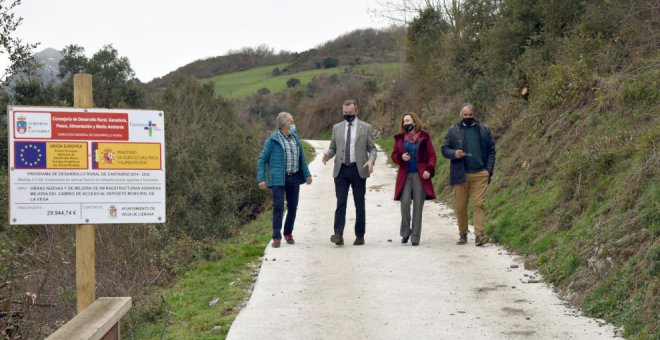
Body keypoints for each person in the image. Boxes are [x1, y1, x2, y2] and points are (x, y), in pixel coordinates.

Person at [322, 99, 377, 246]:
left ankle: (360, 235)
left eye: (350, 113)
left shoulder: (365, 128)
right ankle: (338, 234)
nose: (348, 115)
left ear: (356, 111)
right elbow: (333, 147)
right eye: (345, 113)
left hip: (358, 169)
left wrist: (371, 161)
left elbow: (372, 148)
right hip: (341, 170)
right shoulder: (337, 128)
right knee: (341, 202)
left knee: (359, 203)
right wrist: (328, 154)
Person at [441, 103, 496, 246]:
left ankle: (479, 235)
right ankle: (463, 234)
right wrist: (454, 153)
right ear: (461, 115)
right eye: (465, 115)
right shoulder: (453, 131)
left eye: (470, 115)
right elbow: (444, 149)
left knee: (479, 204)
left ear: (474, 115)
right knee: (461, 206)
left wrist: (488, 171)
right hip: (461, 174)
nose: (468, 117)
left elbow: (491, 150)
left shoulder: (484, 130)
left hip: (480, 174)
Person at [257, 112, 312, 248]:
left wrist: (307, 175)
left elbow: (302, 159)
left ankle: (288, 233)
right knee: (279, 207)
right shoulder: (272, 140)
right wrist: (261, 179)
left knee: (292, 207)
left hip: (294, 177)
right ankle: (276, 236)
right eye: (291, 122)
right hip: (278, 179)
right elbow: (262, 160)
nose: (293, 124)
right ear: (284, 124)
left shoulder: (295, 138)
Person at [391, 112, 437, 246]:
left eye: (408, 121)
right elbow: (394, 156)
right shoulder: (399, 138)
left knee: (418, 205)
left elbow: (432, 155)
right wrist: (401, 158)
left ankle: (415, 237)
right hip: (405, 174)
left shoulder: (424, 136)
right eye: (404, 121)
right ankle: (405, 232)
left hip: (420, 175)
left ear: (414, 122)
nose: (406, 123)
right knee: (404, 202)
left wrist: (429, 169)